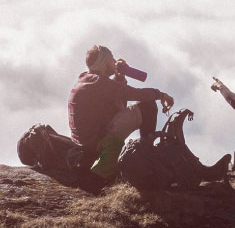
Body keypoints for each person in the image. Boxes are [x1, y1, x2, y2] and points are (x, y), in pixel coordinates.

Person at [68, 45, 174, 181]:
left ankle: (144, 153)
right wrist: (160, 94)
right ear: (104, 62)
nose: (115, 61)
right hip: (98, 140)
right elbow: (135, 94)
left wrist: (119, 76)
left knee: (139, 106)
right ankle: (146, 154)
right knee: (148, 106)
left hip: (86, 141)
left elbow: (117, 105)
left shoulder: (86, 78)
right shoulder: (99, 82)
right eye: (112, 58)